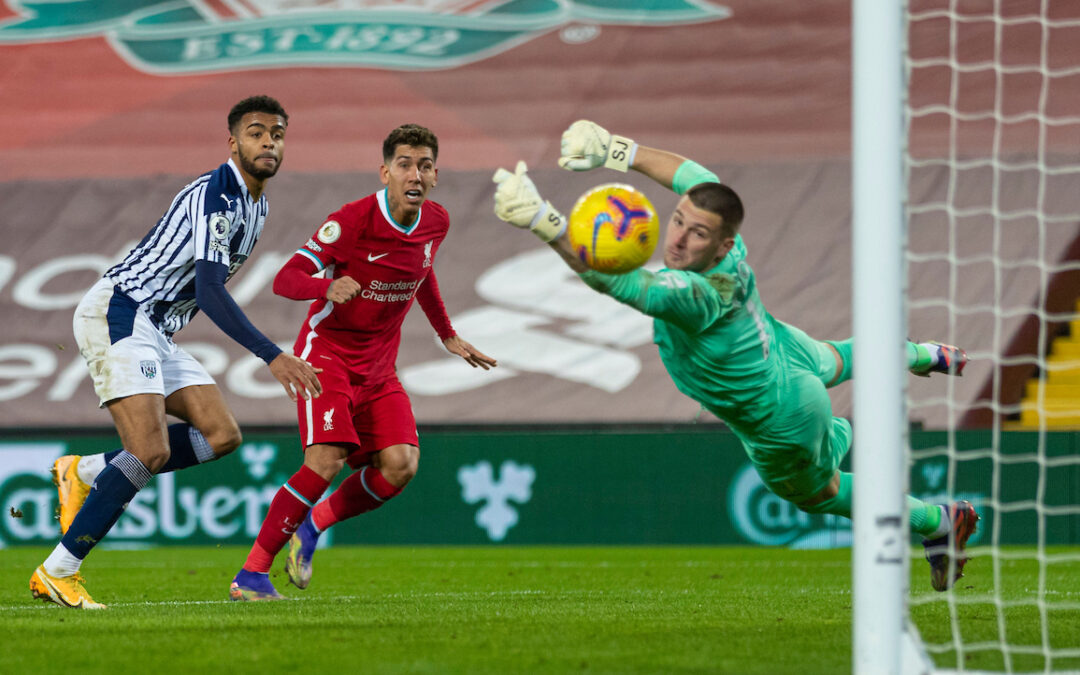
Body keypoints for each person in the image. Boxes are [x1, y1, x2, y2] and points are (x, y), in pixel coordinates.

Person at [491, 119, 978, 592]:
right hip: (782, 348)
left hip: (780, 412)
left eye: (696, 233)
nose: (678, 238)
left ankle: (936, 520)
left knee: (822, 493)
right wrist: (617, 150)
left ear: (720, 243)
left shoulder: (694, 295)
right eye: (677, 221)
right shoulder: (730, 247)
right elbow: (698, 179)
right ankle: (922, 354)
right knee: (838, 358)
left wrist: (544, 221)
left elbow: (615, 282)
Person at [32, 95, 323, 609]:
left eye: (277, 133)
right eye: (256, 133)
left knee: (221, 434)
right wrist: (271, 354)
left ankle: (86, 471)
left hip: (157, 328)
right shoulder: (217, 196)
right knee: (149, 450)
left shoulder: (257, 205)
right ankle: (59, 569)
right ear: (233, 141)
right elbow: (211, 292)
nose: (269, 142)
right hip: (121, 311)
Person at [229, 123, 497, 601]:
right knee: (325, 461)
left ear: (436, 175)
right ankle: (251, 574)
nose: (415, 174)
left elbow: (422, 273)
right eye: (405, 164)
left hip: (378, 368)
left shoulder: (437, 221)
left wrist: (448, 334)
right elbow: (286, 278)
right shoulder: (351, 222)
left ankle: (313, 525)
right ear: (385, 172)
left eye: (425, 165)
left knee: (401, 465)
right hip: (326, 354)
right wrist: (324, 286)